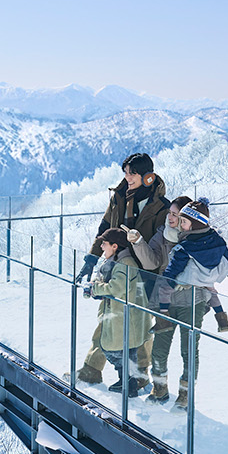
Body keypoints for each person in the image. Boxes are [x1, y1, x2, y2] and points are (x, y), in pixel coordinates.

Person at [71, 154, 169, 385]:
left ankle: (140, 375)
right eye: (125, 172)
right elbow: (105, 228)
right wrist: (91, 258)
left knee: (141, 325)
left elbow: (160, 248)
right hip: (117, 266)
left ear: (148, 176)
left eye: (132, 173)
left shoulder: (161, 207)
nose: (127, 177)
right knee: (108, 317)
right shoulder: (119, 197)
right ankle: (91, 369)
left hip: (146, 274)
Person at [158, 198, 228, 408]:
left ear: (194, 224)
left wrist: (169, 281)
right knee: (191, 349)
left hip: (186, 296)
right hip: (202, 293)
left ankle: (163, 317)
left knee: (169, 345)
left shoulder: (184, 247)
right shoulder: (217, 240)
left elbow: (171, 275)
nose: (180, 225)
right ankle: (185, 394)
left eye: (184, 222)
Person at [86, 228, 152, 397]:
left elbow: (116, 288)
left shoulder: (124, 264)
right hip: (123, 315)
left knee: (113, 349)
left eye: (104, 243)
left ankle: (129, 383)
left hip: (124, 316)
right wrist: (97, 287)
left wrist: (95, 288)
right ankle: (128, 384)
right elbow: (102, 278)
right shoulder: (116, 261)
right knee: (126, 350)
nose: (101, 246)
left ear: (115, 246)